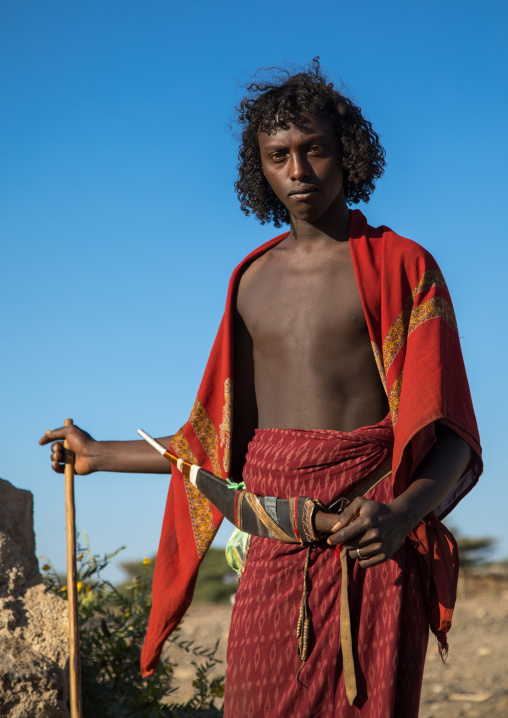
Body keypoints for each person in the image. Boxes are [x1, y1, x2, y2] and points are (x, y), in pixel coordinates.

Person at [41, 61, 482, 717]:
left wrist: (404, 514)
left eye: (316, 151)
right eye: (279, 157)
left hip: (372, 543)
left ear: (348, 153)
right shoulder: (249, 281)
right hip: (274, 547)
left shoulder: (402, 266)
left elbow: (447, 433)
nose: (299, 173)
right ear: (260, 169)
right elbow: (218, 444)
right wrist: (97, 453)